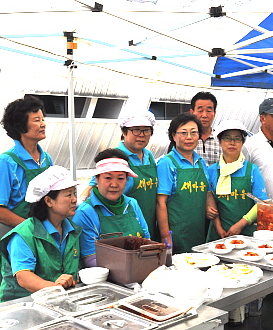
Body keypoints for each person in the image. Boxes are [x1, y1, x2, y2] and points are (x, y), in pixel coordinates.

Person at [0, 166, 81, 302]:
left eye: (74, 193)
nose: (74, 200)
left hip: (60, 301)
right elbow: (24, 277)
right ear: (48, 201)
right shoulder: (24, 235)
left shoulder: (72, 230)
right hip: (24, 304)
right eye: (68, 194)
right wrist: (55, 288)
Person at [79, 111, 159, 240]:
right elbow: (94, 186)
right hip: (121, 222)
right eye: (136, 130)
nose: (141, 135)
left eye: (146, 130)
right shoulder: (115, 158)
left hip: (144, 219)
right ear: (124, 132)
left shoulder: (148, 155)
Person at [73, 149, 150, 267]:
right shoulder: (85, 212)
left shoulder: (132, 204)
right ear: (97, 179)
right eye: (108, 178)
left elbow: (147, 241)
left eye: (120, 178)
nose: (114, 184)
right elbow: (90, 259)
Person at [0, 96, 53, 226]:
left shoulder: (47, 160)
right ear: (20, 126)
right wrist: (28, 227)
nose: (43, 124)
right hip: (13, 235)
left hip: (42, 232)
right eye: (37, 120)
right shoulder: (6, 162)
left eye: (43, 119)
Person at [205, 120, 267, 241]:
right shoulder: (211, 171)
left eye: (237, 139)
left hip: (247, 232)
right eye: (227, 138)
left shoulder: (252, 170)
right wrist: (218, 227)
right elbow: (209, 199)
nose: (232, 143)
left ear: (242, 142)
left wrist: (241, 224)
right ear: (220, 142)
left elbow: (261, 202)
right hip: (218, 232)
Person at [156, 113, 209, 254]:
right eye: (183, 133)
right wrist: (165, 236)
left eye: (194, 133)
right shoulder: (166, 163)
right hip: (176, 233)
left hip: (199, 231)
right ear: (173, 136)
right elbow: (161, 202)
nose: (189, 137)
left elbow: (208, 192)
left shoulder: (201, 162)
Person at [190, 91, 221, 166]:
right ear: (192, 112)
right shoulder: (185, 139)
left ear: (214, 113)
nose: (204, 115)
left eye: (209, 111)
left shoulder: (221, 139)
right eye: (200, 111)